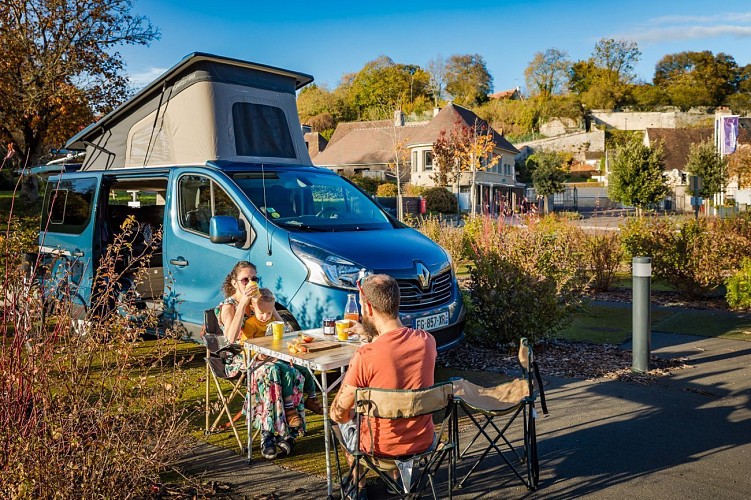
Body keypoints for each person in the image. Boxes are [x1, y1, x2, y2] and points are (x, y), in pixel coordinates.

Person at [330, 274, 437, 499]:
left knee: (346, 423)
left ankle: (358, 486)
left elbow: (338, 413)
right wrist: (370, 336)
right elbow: (395, 355)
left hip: (379, 448)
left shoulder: (365, 356)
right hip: (422, 440)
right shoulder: (427, 341)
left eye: (360, 305)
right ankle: (394, 480)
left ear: (368, 308)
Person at [215, 261, 319, 459]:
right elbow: (230, 338)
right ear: (235, 283)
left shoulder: (260, 301)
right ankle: (268, 433)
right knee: (270, 372)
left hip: (270, 354)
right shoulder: (228, 306)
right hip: (241, 356)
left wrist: (268, 306)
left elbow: (285, 330)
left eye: (254, 278)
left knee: (295, 369)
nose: (250, 282)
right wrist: (244, 304)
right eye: (245, 279)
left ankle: (288, 430)